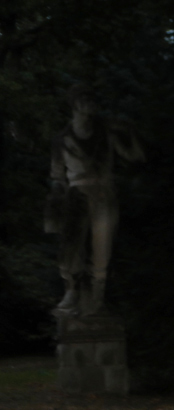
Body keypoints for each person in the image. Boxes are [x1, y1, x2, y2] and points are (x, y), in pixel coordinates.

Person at [45, 84, 144, 315]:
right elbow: (57, 175)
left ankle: (96, 298)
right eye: (85, 98)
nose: (91, 103)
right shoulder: (61, 140)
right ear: (75, 104)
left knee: (102, 251)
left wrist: (131, 133)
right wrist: (56, 198)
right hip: (76, 196)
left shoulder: (106, 133)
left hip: (104, 196)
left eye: (92, 98)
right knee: (71, 247)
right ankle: (71, 290)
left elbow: (133, 155)